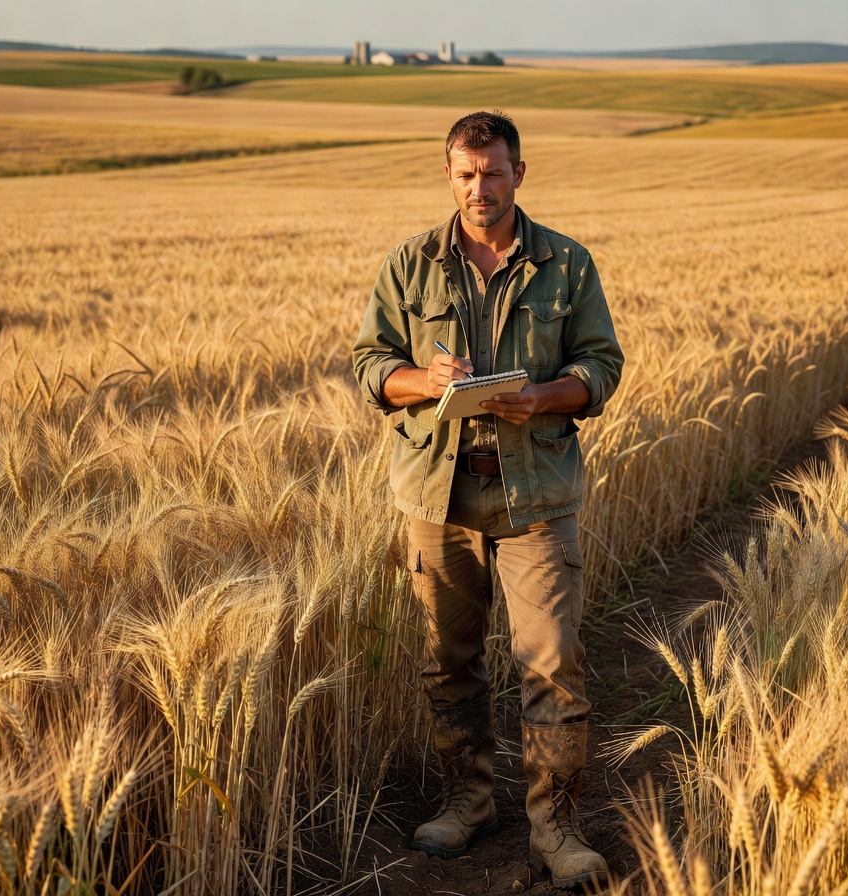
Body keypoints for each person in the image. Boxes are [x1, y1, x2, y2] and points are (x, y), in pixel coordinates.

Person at [352, 110, 624, 890]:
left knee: (553, 663)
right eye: (466, 175)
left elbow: (600, 368)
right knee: (450, 663)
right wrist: (423, 383)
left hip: (534, 492)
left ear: (519, 173)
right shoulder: (409, 265)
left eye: (494, 172)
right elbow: (372, 365)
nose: (480, 188)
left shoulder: (565, 265)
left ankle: (555, 828)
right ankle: (468, 804)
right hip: (437, 494)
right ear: (449, 176)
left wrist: (540, 397)